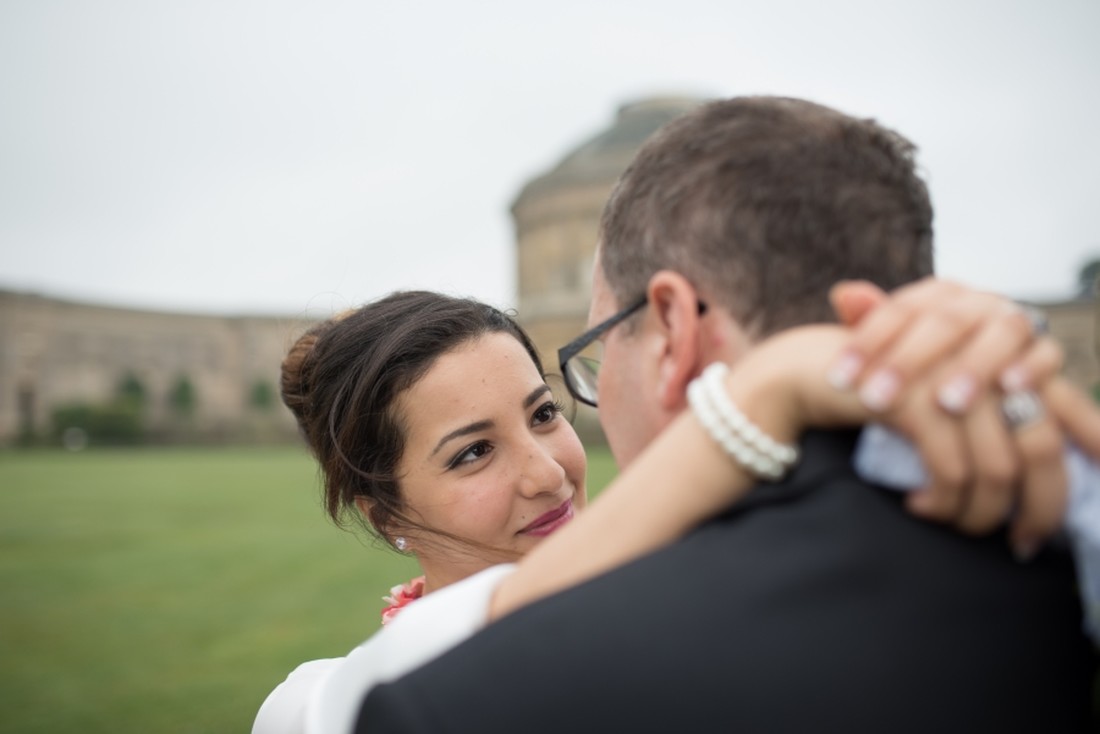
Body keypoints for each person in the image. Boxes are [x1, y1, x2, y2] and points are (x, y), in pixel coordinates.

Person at [347, 97, 1100, 732]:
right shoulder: (1068, 533)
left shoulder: (479, 698)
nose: (553, 465)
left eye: (600, 348)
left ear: (673, 330)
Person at [254, 283, 1076, 734]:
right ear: (383, 512)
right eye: (473, 452)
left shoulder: (698, 611)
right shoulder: (312, 706)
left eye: (544, 415)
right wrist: (763, 394)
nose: (549, 472)